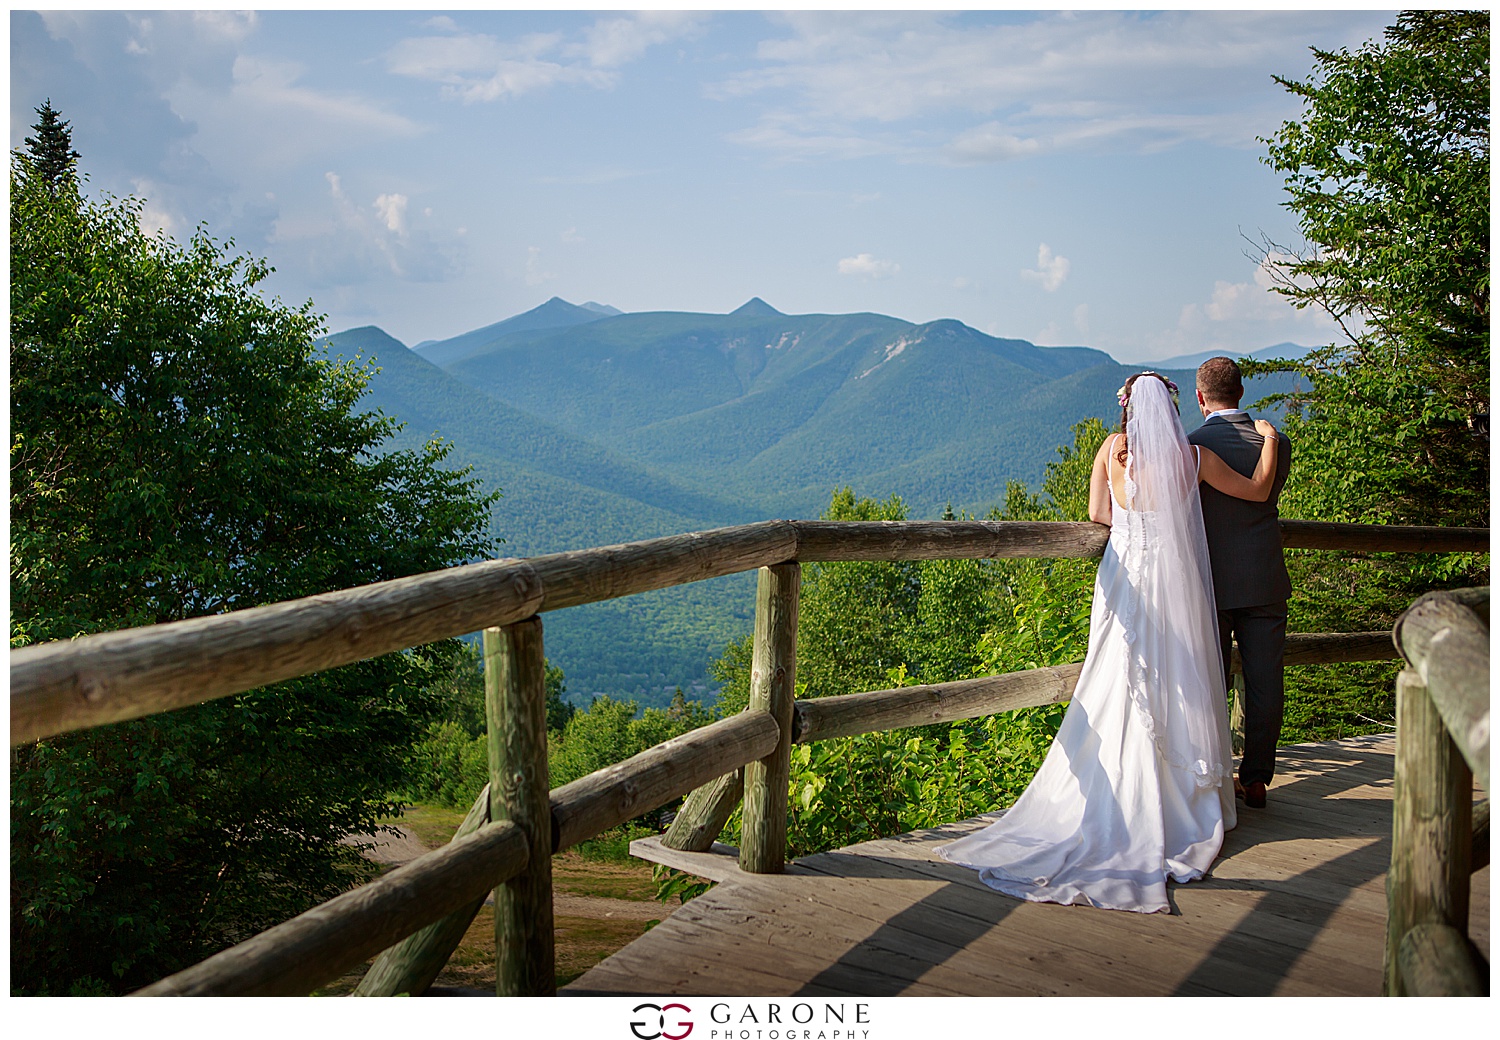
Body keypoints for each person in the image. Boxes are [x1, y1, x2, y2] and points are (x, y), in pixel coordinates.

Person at [937, 373, 1281, 913]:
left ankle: (1114, 788)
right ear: (1171, 408)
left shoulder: (1111, 450)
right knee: (1179, 679)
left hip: (1125, 578)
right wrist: (1272, 443)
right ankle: (1177, 792)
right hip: (1173, 582)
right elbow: (1258, 489)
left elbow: (1099, 514)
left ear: (1125, 409)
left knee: (1115, 677)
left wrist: (1128, 518)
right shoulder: (1191, 458)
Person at [1185, 357, 1293, 810]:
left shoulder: (1190, 445)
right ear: (1242, 393)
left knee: (1210, 682)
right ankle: (1257, 779)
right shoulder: (1277, 443)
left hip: (1210, 583)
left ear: (1199, 397)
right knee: (1266, 682)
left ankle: (1213, 776)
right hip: (1265, 577)